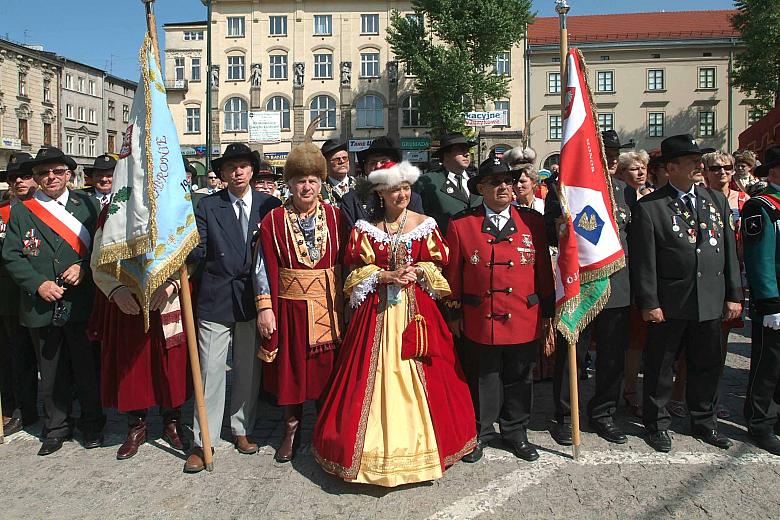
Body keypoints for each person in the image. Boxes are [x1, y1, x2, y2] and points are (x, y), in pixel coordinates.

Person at [312, 159, 476, 486]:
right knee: (367, 376)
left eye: (405, 188)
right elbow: (354, 272)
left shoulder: (425, 225)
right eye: (394, 190)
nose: (401, 195)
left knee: (427, 368)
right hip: (377, 314)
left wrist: (418, 270)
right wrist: (385, 275)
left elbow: (438, 265)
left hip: (417, 311)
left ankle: (426, 447)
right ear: (380, 193)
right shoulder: (366, 229)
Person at [630, 134, 742, 453]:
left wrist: (734, 294)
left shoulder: (715, 200)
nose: (699, 166)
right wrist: (649, 302)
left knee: (706, 363)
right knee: (661, 365)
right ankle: (657, 423)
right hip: (670, 301)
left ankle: (704, 421)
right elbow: (644, 261)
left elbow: (729, 252)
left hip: (709, 298)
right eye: (692, 161)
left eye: (698, 160)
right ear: (671, 168)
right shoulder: (650, 207)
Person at [443, 155, 554, 463]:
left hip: (523, 315)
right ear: (481, 188)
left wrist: (547, 312)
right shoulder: (462, 225)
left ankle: (516, 432)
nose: (504, 187)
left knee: (520, 376)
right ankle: (481, 432)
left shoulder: (532, 222)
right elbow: (453, 274)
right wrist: (454, 313)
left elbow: (543, 271)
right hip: (481, 316)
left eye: (508, 181)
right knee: (483, 376)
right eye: (495, 182)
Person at [183, 143, 281, 473]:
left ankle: (241, 428)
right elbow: (199, 247)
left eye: (243, 166)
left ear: (252, 170)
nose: (237, 172)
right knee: (210, 370)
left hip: (254, 298)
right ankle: (204, 439)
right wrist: (181, 247)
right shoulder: (208, 205)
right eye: (230, 167)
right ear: (222, 173)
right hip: (216, 297)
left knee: (247, 369)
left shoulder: (270, 205)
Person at [2, 146, 104, 456]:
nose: (51, 177)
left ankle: (92, 424)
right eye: (43, 173)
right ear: (35, 177)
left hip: (80, 302)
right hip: (42, 302)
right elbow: (12, 255)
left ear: (69, 174)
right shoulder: (22, 211)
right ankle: (57, 426)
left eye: (58, 171)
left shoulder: (87, 205)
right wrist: (38, 284)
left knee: (86, 368)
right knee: (51, 371)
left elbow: (102, 248)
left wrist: (84, 267)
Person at [254, 136, 347, 463]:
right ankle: (291, 429)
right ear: (289, 184)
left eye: (312, 181)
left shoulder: (336, 217)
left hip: (328, 308)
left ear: (321, 184)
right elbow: (263, 266)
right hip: (290, 308)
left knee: (326, 372)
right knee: (291, 371)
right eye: (299, 181)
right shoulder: (273, 220)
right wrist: (266, 308)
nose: (306, 187)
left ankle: (324, 429)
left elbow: (349, 261)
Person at [550, 146, 633, 446]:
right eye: (605, 152)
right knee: (572, 352)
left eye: (616, 155)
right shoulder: (564, 188)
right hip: (581, 282)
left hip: (617, 281)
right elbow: (550, 231)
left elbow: (631, 237)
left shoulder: (625, 190)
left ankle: (604, 413)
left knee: (612, 355)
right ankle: (565, 415)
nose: (612, 159)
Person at [88, 220, 191, 460]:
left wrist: (173, 283)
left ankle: (172, 421)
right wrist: (115, 290)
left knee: (168, 362)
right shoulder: (114, 211)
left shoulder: (175, 205)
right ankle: (137, 426)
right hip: (129, 298)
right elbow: (99, 260)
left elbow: (190, 252)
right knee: (132, 365)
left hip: (165, 298)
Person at [741, 144, 780, 456]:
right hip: (775, 301)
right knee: (769, 363)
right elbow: (759, 258)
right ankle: (760, 422)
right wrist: (769, 302)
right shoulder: (762, 206)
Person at [0, 152, 39, 436]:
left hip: (36, 293)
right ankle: (15, 406)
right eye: (14, 178)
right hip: (7, 296)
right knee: (11, 355)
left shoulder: (46, 211)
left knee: (38, 358)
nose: (19, 182)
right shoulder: (4, 210)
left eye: (25, 176)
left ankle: (36, 409)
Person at [340, 136, 423, 228]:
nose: (378, 166)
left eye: (384, 161)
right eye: (373, 162)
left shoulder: (410, 199)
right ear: (365, 168)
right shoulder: (351, 201)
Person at [415, 132, 482, 232]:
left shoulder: (477, 181)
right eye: (460, 150)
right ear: (446, 155)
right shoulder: (427, 182)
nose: (466, 154)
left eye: (467, 150)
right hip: (444, 239)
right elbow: (417, 216)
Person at [319, 139, 354, 207]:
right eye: (337, 159)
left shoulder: (360, 186)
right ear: (326, 163)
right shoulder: (320, 190)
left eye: (345, 158)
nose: (342, 161)